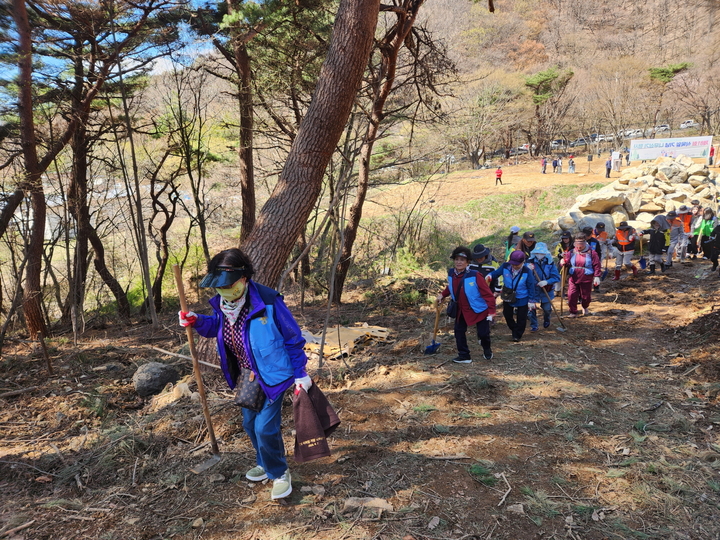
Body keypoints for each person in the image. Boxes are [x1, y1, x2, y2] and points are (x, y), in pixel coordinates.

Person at [178, 248, 310, 500]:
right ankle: (264, 462)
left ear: (244, 278)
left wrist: (300, 373)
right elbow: (217, 327)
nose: (224, 290)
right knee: (249, 424)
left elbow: (292, 337)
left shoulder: (268, 301)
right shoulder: (223, 305)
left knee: (264, 428)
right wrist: (196, 320)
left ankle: (279, 472)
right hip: (246, 375)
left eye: (228, 285)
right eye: (219, 286)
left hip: (273, 374)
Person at [437, 246, 496, 363]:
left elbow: (487, 294)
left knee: (483, 334)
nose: (459, 262)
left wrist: (491, 311)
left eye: (462, 260)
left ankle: (487, 349)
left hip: (478, 308)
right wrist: (442, 295)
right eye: (457, 259)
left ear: (468, 262)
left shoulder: (475, 275)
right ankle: (464, 355)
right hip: (461, 309)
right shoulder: (451, 273)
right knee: (458, 331)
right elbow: (451, 286)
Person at [487, 250, 537, 342]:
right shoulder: (505, 266)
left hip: (522, 296)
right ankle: (514, 328)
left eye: (517, 264)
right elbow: (496, 273)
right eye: (513, 264)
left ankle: (517, 335)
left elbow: (531, 286)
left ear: (522, 262)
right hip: (508, 295)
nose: (514, 266)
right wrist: (490, 276)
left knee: (521, 318)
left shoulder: (527, 271)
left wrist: (531, 300)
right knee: (507, 314)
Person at [560, 233, 602, 317]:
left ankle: (585, 306)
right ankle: (573, 311)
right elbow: (566, 263)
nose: (579, 247)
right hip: (574, 277)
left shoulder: (592, 253)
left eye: (581, 244)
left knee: (586, 297)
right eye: (577, 244)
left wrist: (597, 276)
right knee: (571, 295)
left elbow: (597, 265)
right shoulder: (571, 252)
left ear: (585, 243)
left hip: (586, 277)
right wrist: (563, 262)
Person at [526, 243, 560, 331]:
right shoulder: (529, 262)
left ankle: (547, 319)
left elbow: (556, 277)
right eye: (537, 253)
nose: (539, 255)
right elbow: (523, 276)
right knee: (531, 309)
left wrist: (546, 282)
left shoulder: (550, 263)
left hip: (546, 290)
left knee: (547, 309)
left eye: (541, 253)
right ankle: (534, 325)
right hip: (533, 290)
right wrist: (527, 269)